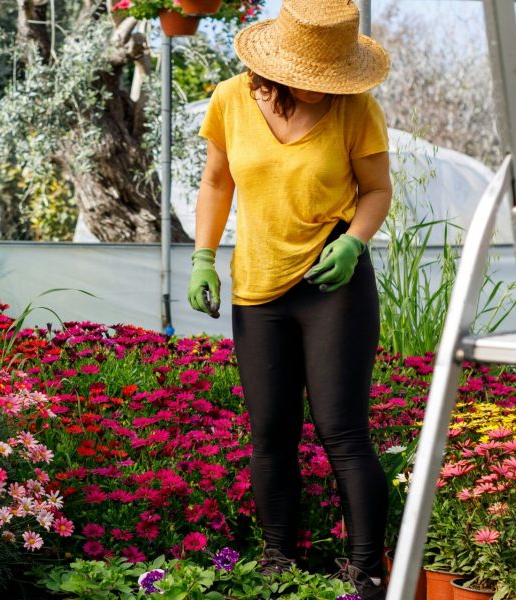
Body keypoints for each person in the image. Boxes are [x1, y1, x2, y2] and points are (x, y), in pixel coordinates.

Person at [187, 1, 393, 598]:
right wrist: (203, 256)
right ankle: (279, 564)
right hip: (258, 286)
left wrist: (355, 241)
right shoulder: (230, 99)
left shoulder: (357, 109)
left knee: (342, 431)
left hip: (333, 283)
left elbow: (377, 190)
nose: (317, 87)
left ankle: (366, 573)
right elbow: (216, 181)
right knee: (271, 433)